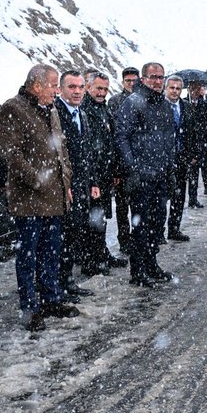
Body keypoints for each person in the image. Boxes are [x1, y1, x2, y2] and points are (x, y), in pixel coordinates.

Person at [0, 64, 80, 331]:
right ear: (36, 85)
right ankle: (29, 308)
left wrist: (65, 181)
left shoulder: (50, 108)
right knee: (28, 255)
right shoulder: (13, 109)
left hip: (55, 196)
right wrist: (37, 179)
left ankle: (52, 299)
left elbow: (60, 148)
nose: (57, 91)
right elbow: (11, 154)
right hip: (30, 198)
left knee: (51, 252)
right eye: (53, 85)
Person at [114, 62, 175, 286]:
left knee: (157, 223)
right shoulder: (134, 102)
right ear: (144, 78)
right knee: (141, 225)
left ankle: (151, 264)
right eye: (153, 77)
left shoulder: (164, 105)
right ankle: (137, 271)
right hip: (141, 176)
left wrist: (170, 168)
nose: (158, 81)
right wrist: (133, 168)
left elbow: (169, 140)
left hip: (160, 174)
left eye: (161, 77)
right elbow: (121, 136)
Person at [53, 70, 96, 300]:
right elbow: (55, 154)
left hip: (81, 185)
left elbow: (88, 152)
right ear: (60, 89)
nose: (77, 91)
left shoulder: (83, 114)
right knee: (61, 239)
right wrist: (64, 184)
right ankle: (57, 286)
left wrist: (93, 181)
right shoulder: (54, 114)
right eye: (72, 87)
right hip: (64, 187)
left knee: (74, 236)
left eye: (80, 87)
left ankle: (69, 281)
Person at [80, 71, 127, 275]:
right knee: (92, 219)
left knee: (103, 217)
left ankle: (101, 253)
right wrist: (92, 178)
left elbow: (110, 141)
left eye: (105, 89)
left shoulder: (103, 109)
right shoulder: (84, 111)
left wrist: (115, 168)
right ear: (88, 87)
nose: (102, 93)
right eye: (98, 88)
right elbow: (86, 148)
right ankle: (91, 260)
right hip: (92, 175)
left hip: (105, 173)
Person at [106, 66, 139, 254]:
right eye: (128, 81)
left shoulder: (143, 100)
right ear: (123, 82)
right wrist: (117, 167)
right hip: (121, 161)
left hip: (139, 161)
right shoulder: (115, 102)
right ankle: (124, 239)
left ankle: (139, 237)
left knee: (139, 204)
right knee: (121, 206)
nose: (131, 84)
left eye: (134, 81)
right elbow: (114, 135)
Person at [162, 75, 189, 241]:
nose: (174, 91)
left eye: (178, 88)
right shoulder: (159, 106)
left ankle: (174, 228)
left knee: (179, 196)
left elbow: (191, 131)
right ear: (166, 88)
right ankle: (158, 232)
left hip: (181, 158)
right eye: (172, 88)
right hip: (164, 159)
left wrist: (191, 154)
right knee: (162, 197)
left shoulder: (185, 107)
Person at [184, 79, 207, 207]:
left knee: (196, 172)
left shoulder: (205, 105)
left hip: (200, 142)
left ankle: (193, 198)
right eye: (192, 89)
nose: (195, 92)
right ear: (189, 89)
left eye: (197, 89)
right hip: (186, 142)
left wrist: (202, 133)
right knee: (186, 174)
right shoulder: (183, 103)